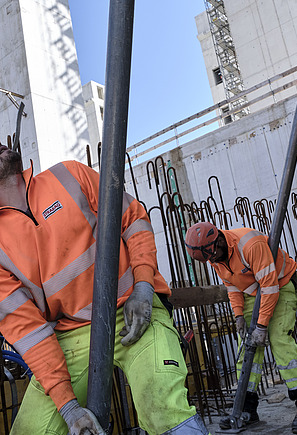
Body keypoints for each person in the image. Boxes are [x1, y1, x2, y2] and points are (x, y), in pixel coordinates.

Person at [0, 144, 210, 435]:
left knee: (162, 407)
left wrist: (145, 286)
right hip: (72, 333)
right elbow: (28, 331)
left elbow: (133, 219)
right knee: (31, 430)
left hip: (132, 309)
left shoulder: (68, 175)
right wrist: (68, 407)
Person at [185, 222, 297, 434]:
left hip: (280, 284)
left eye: (213, 256)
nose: (212, 261)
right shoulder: (214, 254)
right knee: (247, 347)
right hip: (253, 293)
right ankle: (247, 409)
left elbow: (270, 287)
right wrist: (238, 316)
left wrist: (261, 326)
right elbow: (232, 285)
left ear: (219, 240)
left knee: (278, 340)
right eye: (208, 259)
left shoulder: (250, 244)